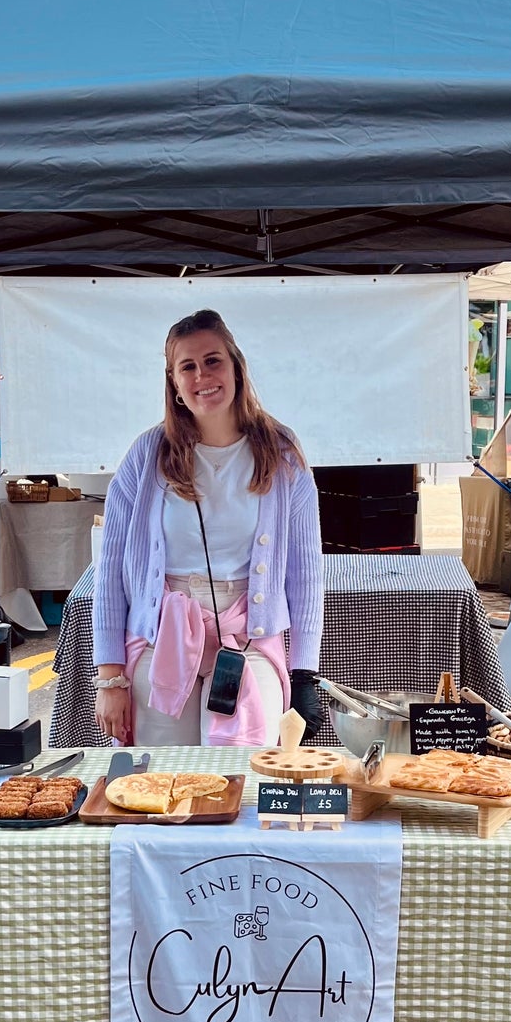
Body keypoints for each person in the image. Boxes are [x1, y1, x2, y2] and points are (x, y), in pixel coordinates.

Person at [93, 309, 323, 747]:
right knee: (159, 782)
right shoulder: (146, 456)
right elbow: (110, 574)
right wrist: (110, 678)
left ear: (236, 366)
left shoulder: (282, 453)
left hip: (248, 639)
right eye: (188, 366)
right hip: (162, 636)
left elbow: (306, 574)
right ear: (174, 383)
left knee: (243, 779)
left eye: (213, 360)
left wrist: (304, 673)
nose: (203, 375)